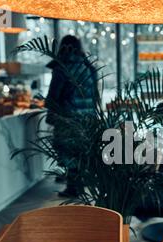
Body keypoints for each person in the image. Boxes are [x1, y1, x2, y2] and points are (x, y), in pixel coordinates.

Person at [46, 35, 98, 197]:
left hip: (68, 119)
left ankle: (73, 188)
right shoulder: (88, 67)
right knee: (81, 153)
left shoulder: (62, 68)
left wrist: (47, 107)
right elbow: (95, 96)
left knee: (69, 154)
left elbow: (53, 97)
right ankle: (79, 185)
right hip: (87, 119)